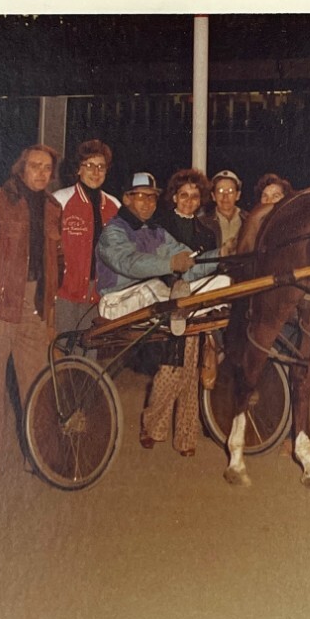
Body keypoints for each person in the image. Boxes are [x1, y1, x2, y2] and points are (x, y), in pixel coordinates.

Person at [97, 171, 221, 454]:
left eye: (151, 198)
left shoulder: (155, 231)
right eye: (140, 197)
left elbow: (189, 261)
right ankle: (183, 310)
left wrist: (225, 254)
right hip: (118, 300)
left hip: (156, 302)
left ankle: (185, 311)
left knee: (189, 343)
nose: (146, 203)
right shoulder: (114, 231)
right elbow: (131, 263)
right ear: (128, 198)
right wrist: (171, 265)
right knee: (158, 290)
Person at [0, 143, 62, 478]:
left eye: (47, 168)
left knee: (37, 384)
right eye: (35, 166)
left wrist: (49, 311)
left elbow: (53, 263)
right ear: (20, 168)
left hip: (34, 303)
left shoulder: (51, 207)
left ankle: (35, 454)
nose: (41, 173)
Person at [53, 138, 119, 335]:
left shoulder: (114, 206)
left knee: (90, 348)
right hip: (66, 290)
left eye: (101, 166)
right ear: (78, 169)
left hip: (98, 292)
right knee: (63, 347)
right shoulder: (60, 200)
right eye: (89, 165)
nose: (96, 172)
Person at [208, 169, 244, 256]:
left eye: (230, 191)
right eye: (220, 191)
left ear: (238, 195)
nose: (225, 196)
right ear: (213, 196)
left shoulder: (249, 220)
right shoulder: (202, 223)